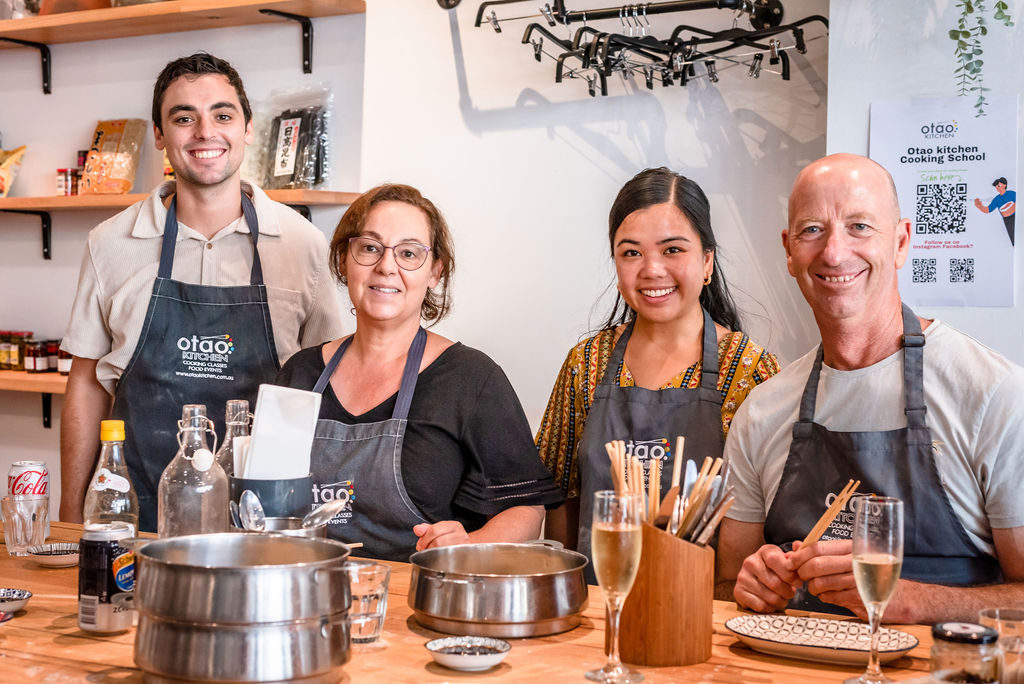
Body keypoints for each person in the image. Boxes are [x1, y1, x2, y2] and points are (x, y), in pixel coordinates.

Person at [717, 153, 1024, 623]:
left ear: (901, 242)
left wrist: (917, 601)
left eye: (860, 226)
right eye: (812, 230)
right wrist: (753, 584)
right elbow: (727, 584)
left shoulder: (992, 394)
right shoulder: (763, 410)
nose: (834, 253)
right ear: (789, 250)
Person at [59, 53, 344, 532]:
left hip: (264, 526)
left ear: (248, 129)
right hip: (138, 520)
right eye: (184, 117)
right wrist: (70, 518)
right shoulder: (110, 243)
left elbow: (329, 387)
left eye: (222, 115)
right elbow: (87, 385)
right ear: (159, 135)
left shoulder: (301, 247)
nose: (205, 132)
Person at [275, 183, 564, 561]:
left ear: (434, 272)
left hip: (421, 599)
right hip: (306, 593)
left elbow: (527, 510)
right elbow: (266, 500)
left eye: (409, 253)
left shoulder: (471, 379)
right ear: (344, 259)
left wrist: (468, 547)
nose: (386, 266)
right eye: (369, 248)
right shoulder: (300, 374)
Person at [535, 167, 780, 581]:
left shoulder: (751, 371)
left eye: (672, 250)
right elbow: (560, 495)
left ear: (706, 261)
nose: (651, 270)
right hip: (601, 608)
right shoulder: (586, 363)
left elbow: (764, 521)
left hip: (703, 613)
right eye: (631, 253)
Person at [973, 176, 1016, 246]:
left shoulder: (1012, 194)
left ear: (1005, 185)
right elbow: (988, 210)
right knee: (1013, 238)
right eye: (996, 186)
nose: (997, 188)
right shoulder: (997, 199)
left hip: (1017, 217)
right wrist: (979, 206)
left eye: (999, 185)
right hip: (1007, 220)